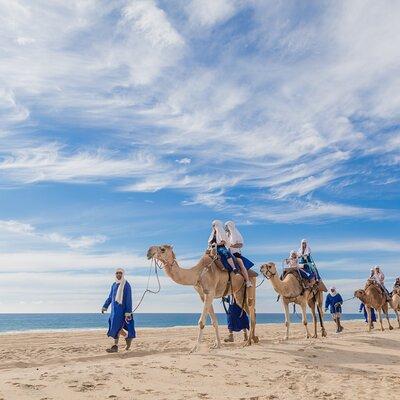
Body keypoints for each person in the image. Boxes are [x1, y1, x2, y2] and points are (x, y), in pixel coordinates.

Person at [102, 268, 136, 353]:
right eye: (117, 273)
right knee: (114, 326)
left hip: (123, 310)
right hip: (114, 311)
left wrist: (128, 311)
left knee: (117, 327)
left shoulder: (126, 285)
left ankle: (115, 346)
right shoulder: (114, 285)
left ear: (123, 274)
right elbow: (110, 297)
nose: (118, 274)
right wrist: (105, 306)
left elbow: (128, 298)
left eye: (120, 273)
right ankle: (127, 336)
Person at [224, 220, 253, 288]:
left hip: (235, 253)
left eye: (227, 227)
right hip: (226, 253)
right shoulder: (226, 235)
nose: (226, 228)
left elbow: (240, 245)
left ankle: (247, 281)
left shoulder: (237, 235)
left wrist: (232, 246)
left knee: (240, 263)